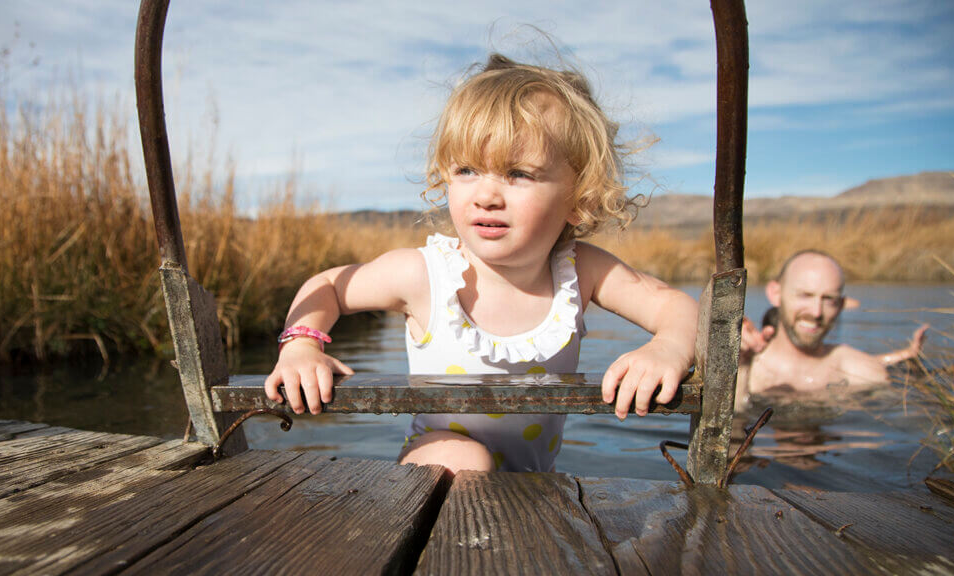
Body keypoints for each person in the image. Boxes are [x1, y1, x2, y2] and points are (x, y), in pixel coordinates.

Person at [264, 54, 698, 475]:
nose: (487, 195)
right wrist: (302, 346)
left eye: (519, 174)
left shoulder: (577, 272)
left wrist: (668, 348)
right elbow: (331, 285)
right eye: (468, 170)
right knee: (468, 461)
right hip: (434, 476)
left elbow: (680, 308)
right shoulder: (426, 276)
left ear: (577, 197)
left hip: (529, 486)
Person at [736, 249, 929, 410]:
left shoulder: (862, 372)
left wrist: (910, 356)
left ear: (841, 305)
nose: (816, 312)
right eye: (805, 295)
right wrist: (740, 368)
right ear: (775, 293)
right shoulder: (742, 368)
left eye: (829, 299)